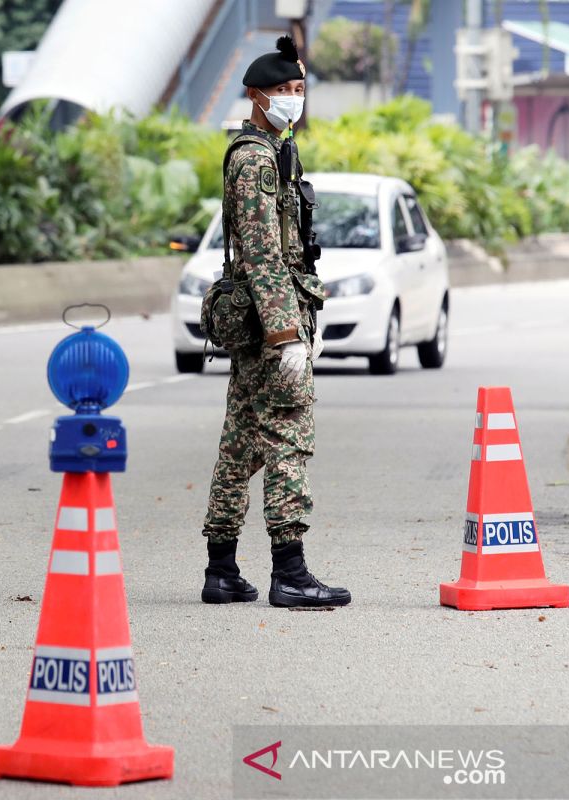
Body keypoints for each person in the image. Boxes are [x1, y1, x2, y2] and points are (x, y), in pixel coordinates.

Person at [200, 36, 351, 609]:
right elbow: (261, 253)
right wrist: (288, 336)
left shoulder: (273, 149)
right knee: (288, 437)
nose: (295, 98)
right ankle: (290, 572)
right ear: (256, 96)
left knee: (240, 443)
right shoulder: (255, 159)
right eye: (284, 90)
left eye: (299, 89)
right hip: (271, 326)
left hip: (264, 319)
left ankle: (222, 569)